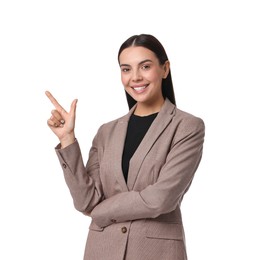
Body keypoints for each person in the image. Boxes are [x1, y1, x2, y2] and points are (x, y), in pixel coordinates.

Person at [46, 34, 205, 260]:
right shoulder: (106, 132)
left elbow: (161, 198)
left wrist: (100, 212)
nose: (136, 77)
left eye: (145, 66)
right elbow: (86, 201)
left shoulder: (187, 127)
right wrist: (68, 139)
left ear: (165, 69)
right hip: (101, 250)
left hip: (155, 253)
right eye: (126, 69)